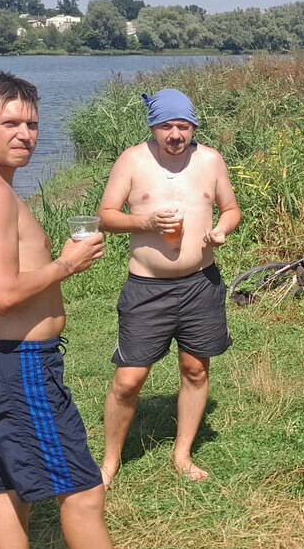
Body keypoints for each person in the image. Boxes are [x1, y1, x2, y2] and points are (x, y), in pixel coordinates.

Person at [0, 70, 202, 549]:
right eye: (10, 122)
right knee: (80, 487)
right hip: (18, 364)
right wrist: (65, 265)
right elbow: (2, 294)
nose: (25, 134)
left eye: (32, 123)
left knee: (9, 486)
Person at [96, 88, 240, 486]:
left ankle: (182, 454)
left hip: (201, 284)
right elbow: (105, 216)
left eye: (182, 126)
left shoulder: (210, 160)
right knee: (129, 379)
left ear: (193, 126)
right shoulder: (132, 160)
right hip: (148, 288)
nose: (175, 134)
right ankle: (109, 462)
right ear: (152, 127)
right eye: (165, 126)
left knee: (195, 370)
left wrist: (222, 229)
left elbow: (231, 209)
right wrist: (145, 222)